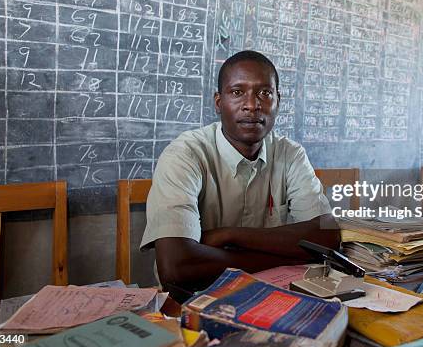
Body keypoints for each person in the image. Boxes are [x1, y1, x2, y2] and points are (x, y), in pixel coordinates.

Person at [140, 50, 340, 296]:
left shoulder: (290, 154)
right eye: (237, 92)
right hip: (194, 300)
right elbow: (177, 266)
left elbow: (327, 234)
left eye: (264, 93)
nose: (252, 105)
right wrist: (283, 256)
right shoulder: (185, 154)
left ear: (278, 101)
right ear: (218, 102)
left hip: (272, 294)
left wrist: (230, 235)